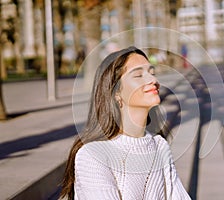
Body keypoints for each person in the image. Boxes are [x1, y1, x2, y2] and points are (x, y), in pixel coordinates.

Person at [60, 46, 191, 200]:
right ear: (116, 92)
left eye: (152, 73)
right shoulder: (94, 155)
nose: (153, 80)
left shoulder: (160, 146)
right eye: (138, 75)